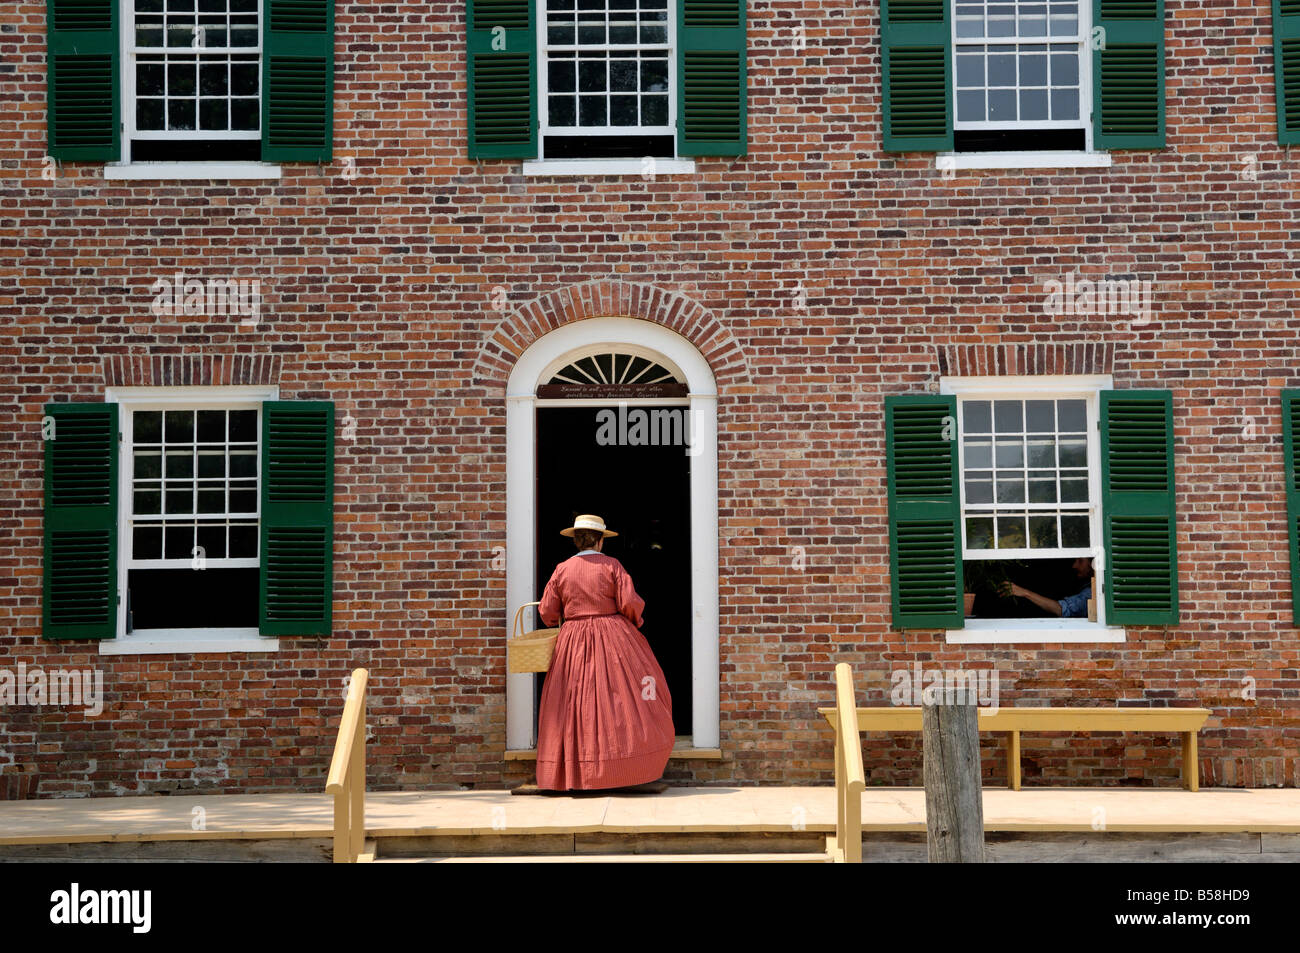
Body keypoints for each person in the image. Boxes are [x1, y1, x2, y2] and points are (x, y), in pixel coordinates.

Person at [532, 514, 675, 794]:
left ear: (576, 540)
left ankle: (577, 770)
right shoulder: (612, 565)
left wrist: (564, 621)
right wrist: (631, 624)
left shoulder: (562, 569)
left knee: (574, 702)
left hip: (572, 640)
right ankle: (622, 767)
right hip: (613, 636)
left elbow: (547, 611)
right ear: (599, 541)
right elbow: (629, 602)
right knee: (621, 697)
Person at [999, 557, 1094, 618]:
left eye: (1080, 561)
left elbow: (1062, 610)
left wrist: (1024, 593)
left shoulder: (1092, 592)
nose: (1074, 565)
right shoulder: (1087, 585)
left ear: (1093, 564)